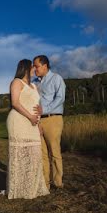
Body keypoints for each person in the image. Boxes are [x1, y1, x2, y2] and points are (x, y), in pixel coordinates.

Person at [5, 59, 50, 199]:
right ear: (25, 68)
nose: (34, 69)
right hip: (19, 121)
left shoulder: (34, 86)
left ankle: (32, 187)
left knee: (34, 154)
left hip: (33, 122)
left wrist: (38, 122)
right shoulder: (16, 82)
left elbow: (36, 105)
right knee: (20, 154)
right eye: (32, 67)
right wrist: (30, 117)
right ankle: (18, 189)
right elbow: (15, 103)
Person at [32, 55, 66, 189]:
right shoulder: (36, 82)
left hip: (53, 119)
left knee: (55, 152)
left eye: (36, 66)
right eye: (34, 66)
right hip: (40, 121)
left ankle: (58, 182)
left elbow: (60, 98)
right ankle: (45, 183)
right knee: (43, 154)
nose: (35, 69)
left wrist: (44, 109)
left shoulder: (56, 78)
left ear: (45, 66)